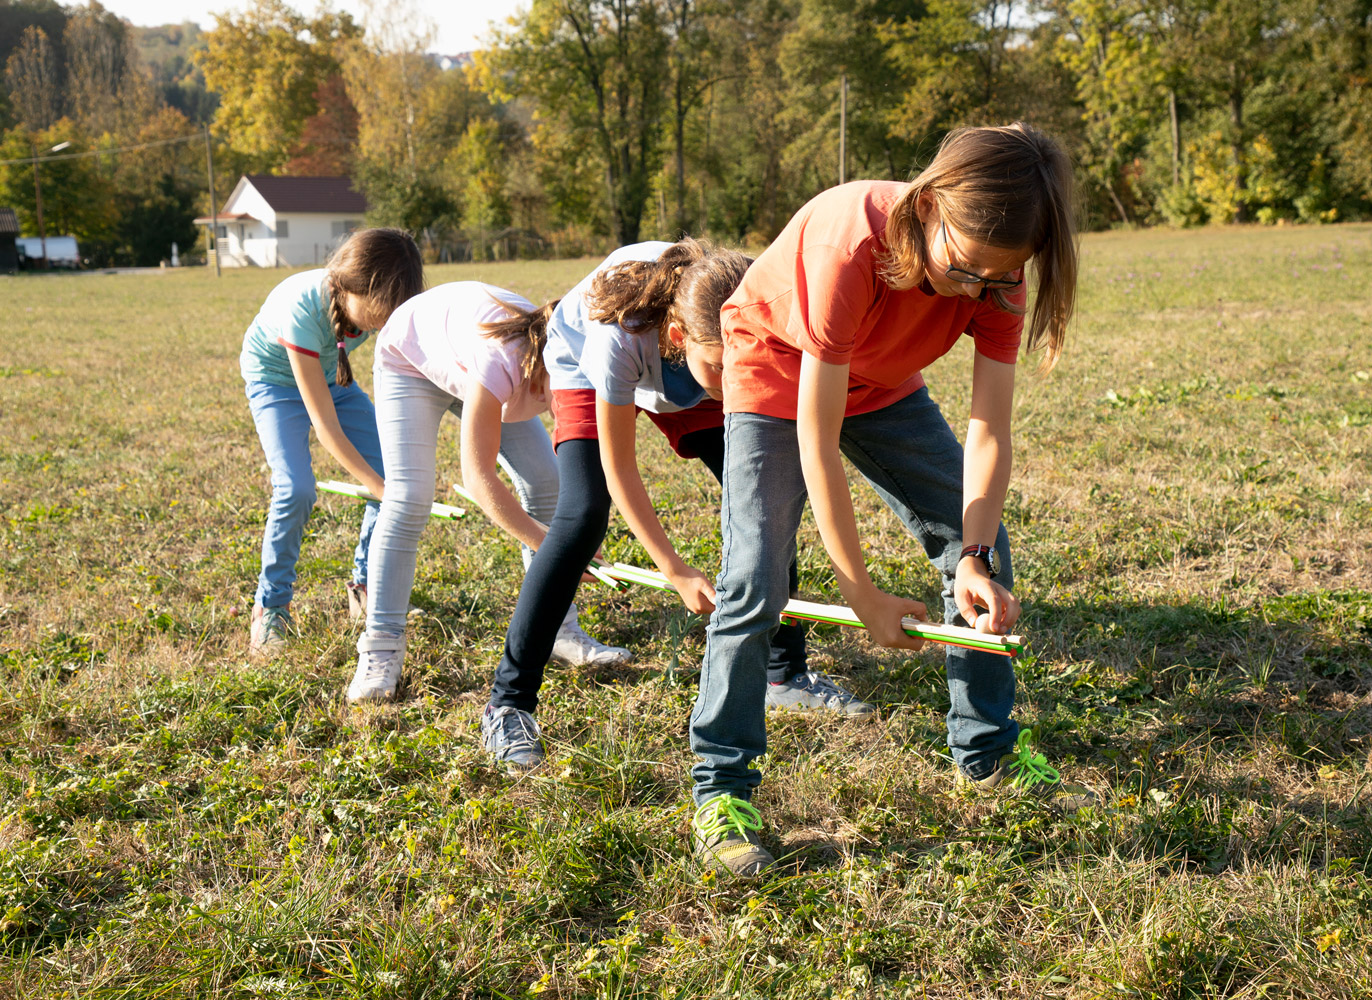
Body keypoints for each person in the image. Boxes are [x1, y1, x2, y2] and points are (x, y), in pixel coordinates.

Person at [688, 123, 1090, 877]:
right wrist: (860, 589)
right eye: (965, 268)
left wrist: (971, 555)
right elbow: (817, 435)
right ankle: (722, 789)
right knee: (756, 577)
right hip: (781, 368)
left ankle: (988, 751)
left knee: (985, 548)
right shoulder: (850, 244)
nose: (977, 291)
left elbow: (988, 432)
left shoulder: (998, 272)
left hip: (883, 378)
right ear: (930, 205)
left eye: (996, 281)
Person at [480, 238, 836, 772]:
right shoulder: (617, 337)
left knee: (766, 498)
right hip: (587, 365)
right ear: (679, 337)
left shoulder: (737, 339)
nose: (734, 380)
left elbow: (770, 418)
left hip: (689, 372)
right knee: (581, 517)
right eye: (724, 365)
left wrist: (727, 376)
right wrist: (673, 569)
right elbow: (620, 468)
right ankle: (509, 704)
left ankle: (784, 674)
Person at [345, 282, 631, 703]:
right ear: (549, 366)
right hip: (411, 359)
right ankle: (382, 647)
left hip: (475, 361)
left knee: (546, 482)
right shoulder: (505, 361)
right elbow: (477, 478)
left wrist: (570, 541)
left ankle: (558, 629)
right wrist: (558, 550)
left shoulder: (566, 365)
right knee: (408, 498)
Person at [240, 228, 423, 657]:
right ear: (349, 285)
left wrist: (388, 485)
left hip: (332, 381)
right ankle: (271, 607)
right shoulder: (304, 306)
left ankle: (365, 586)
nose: (386, 316)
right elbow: (327, 430)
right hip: (276, 383)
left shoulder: (373, 309)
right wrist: (383, 493)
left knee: (391, 475)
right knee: (296, 488)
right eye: (380, 305)